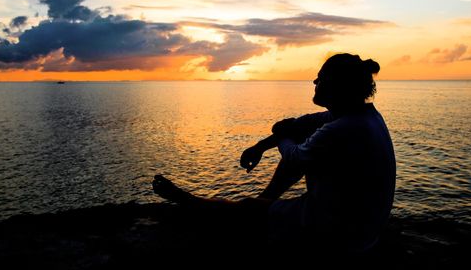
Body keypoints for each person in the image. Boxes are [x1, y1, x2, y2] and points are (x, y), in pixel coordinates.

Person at [152, 53, 396, 254]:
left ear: (335, 85)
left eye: (319, 79)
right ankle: (265, 205)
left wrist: (284, 136)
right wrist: (261, 146)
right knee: (301, 146)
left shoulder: (344, 128)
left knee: (247, 208)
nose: (314, 83)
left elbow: (293, 156)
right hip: (360, 225)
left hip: (339, 234)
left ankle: (188, 201)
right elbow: (300, 126)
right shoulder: (362, 116)